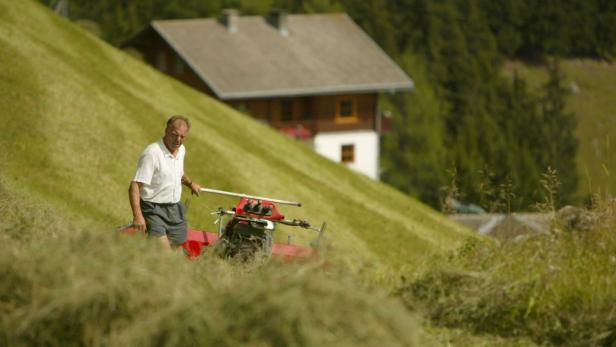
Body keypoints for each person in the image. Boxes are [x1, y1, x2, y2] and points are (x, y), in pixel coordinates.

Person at [128, 115, 202, 248]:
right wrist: (138, 216)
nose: (178, 140)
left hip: (174, 208)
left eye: (182, 137)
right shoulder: (152, 153)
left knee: (175, 248)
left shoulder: (181, 150)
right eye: (174, 135)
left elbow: (178, 173)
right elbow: (134, 185)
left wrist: (190, 183)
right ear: (166, 130)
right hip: (153, 209)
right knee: (165, 255)